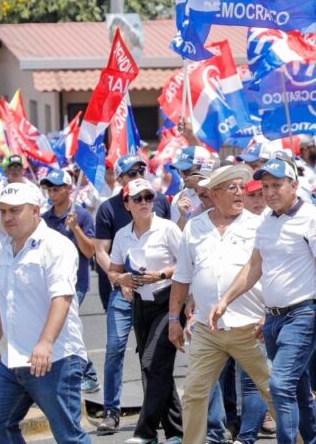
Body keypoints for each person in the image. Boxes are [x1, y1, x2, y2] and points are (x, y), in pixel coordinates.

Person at [212, 157, 316, 444]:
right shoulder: (266, 221)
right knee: (296, 387)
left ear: (294, 185)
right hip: (273, 318)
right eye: (265, 186)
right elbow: (254, 267)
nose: (270, 192)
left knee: (280, 384)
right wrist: (226, 300)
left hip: (304, 314)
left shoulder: (314, 219)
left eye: (277, 185)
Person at [167, 164, 272, 444]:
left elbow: (273, 271)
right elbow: (182, 277)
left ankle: (301, 438)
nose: (239, 193)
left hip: (251, 327)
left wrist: (270, 314)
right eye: (232, 188)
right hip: (206, 329)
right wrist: (173, 320)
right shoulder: (195, 226)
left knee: (275, 392)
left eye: (241, 187)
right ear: (213, 194)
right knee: (194, 393)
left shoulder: (259, 224)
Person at [0, 182, 91, 443]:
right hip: (12, 359)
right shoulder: (2, 249)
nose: (7, 217)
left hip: (55, 359)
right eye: (3, 211)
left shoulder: (57, 245)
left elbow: (62, 297)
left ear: (35, 210)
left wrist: (45, 342)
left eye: (14, 211)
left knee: (68, 436)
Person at [93, 153, 172, 434]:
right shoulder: (107, 209)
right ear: (120, 180)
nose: (143, 201)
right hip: (123, 291)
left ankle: (159, 415)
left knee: (152, 356)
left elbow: (173, 244)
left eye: (141, 171)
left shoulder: (158, 200)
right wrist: (119, 280)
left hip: (160, 293)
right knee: (115, 349)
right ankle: (111, 410)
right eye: (131, 173)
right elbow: (100, 250)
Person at [107, 178, 185, 444]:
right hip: (140, 304)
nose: (144, 203)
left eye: (148, 197)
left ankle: (145, 432)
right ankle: (176, 431)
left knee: (153, 362)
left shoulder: (167, 229)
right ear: (126, 204)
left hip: (168, 300)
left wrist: (161, 274)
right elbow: (113, 269)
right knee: (153, 367)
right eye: (137, 198)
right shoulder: (122, 235)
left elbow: (188, 263)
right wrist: (122, 280)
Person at [38, 168, 101, 394]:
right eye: (49, 189)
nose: (52, 193)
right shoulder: (44, 219)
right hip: (51, 284)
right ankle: (62, 374)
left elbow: (89, 252)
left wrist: (75, 229)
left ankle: (89, 373)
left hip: (76, 284)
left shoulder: (82, 216)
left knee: (67, 325)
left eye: (56, 188)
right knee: (59, 328)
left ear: (68, 189)